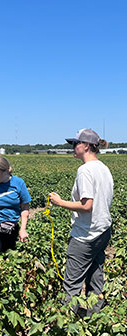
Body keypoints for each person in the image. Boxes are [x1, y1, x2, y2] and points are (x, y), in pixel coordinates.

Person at [50, 129, 113, 316]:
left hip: (86, 234)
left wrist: (60, 203)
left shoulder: (85, 170)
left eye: (75, 144)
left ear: (86, 146)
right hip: (103, 230)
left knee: (72, 284)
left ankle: (65, 326)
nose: (72, 147)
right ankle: (96, 317)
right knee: (95, 275)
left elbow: (87, 205)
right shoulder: (104, 168)